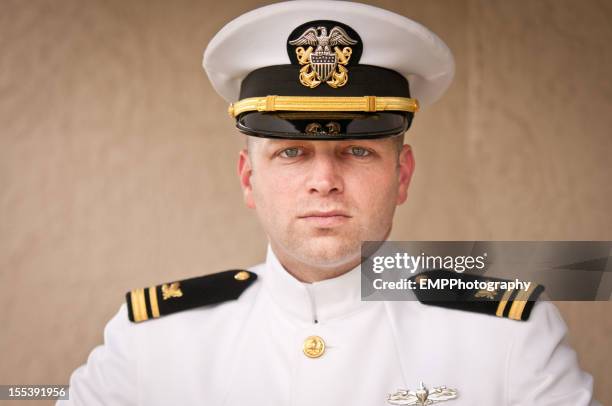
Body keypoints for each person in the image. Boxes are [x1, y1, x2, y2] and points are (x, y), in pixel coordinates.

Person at [59, 1, 597, 405]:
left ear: (401, 175)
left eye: (357, 150)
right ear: (249, 179)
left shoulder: (508, 335)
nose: (325, 180)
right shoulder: (151, 341)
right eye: (292, 151)